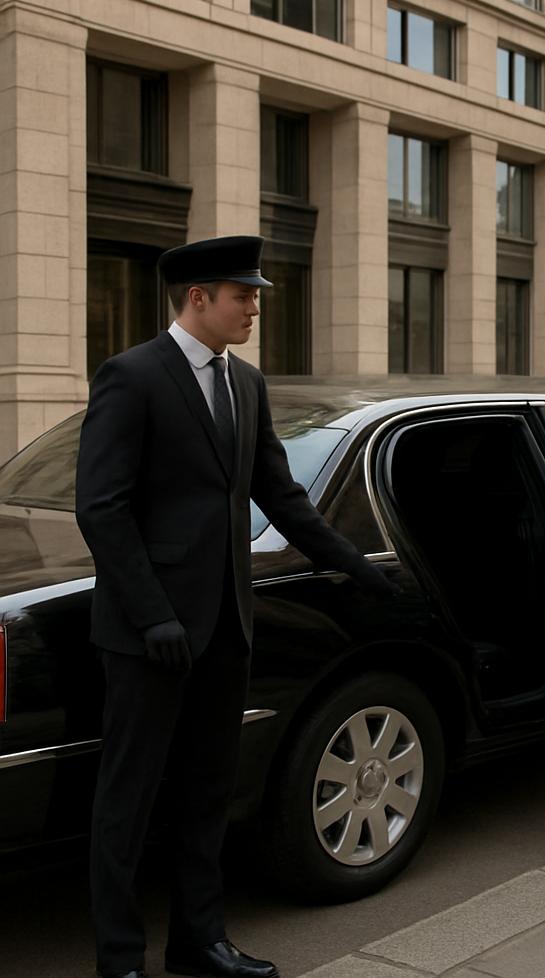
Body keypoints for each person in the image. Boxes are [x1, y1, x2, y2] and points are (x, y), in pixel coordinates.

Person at [76, 236, 395, 978]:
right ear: (198, 298)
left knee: (207, 793)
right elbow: (103, 508)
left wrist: (355, 564)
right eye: (244, 294)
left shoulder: (246, 385)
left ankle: (199, 942)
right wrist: (153, 613)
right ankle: (119, 960)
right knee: (126, 803)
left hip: (225, 629)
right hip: (145, 636)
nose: (255, 306)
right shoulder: (131, 376)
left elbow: (281, 497)